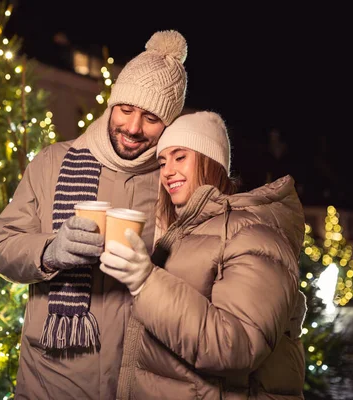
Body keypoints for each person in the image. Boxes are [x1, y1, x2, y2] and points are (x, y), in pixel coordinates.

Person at [0, 30, 188, 399]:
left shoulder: (174, 182)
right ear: (111, 105)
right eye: (125, 110)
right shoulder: (52, 163)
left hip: (141, 381)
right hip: (52, 380)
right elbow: (2, 248)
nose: (132, 127)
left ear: (170, 123)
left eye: (150, 118)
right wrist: (50, 251)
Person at [100, 111, 308, 399]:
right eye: (162, 161)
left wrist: (146, 282)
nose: (168, 171)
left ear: (211, 161)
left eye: (180, 157)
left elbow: (237, 346)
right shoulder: (179, 236)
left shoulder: (255, 234)